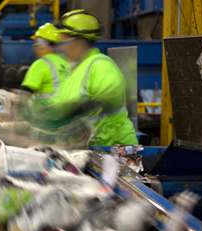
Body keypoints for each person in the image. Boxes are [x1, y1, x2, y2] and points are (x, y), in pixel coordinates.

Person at [52, 10, 138, 146]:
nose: (60, 47)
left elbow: (110, 98)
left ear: (78, 41)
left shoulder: (100, 65)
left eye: (63, 40)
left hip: (114, 152)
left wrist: (76, 110)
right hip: (89, 150)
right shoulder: (74, 71)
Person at [21, 23, 70, 99]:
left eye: (36, 43)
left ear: (42, 45)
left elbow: (26, 94)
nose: (35, 47)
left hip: (47, 108)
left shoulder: (41, 64)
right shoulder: (66, 62)